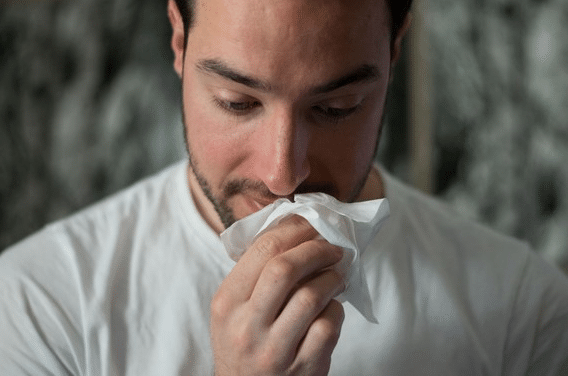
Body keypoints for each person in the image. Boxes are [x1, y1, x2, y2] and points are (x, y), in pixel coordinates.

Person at [1, 0, 567, 374]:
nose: (283, 175)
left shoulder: (523, 313)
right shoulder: (41, 307)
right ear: (178, 40)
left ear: (393, 50)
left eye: (335, 108)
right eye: (238, 103)